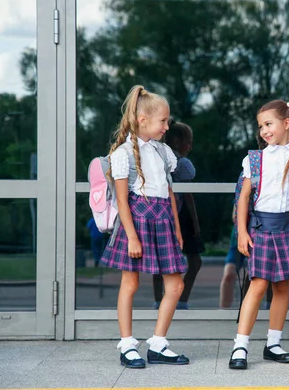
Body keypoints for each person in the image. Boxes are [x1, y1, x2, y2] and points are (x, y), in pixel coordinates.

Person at [99, 85, 189, 369]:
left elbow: (169, 193)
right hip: (136, 221)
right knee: (131, 283)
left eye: (167, 121)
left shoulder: (164, 152)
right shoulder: (123, 154)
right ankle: (127, 345)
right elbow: (123, 201)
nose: (166, 126)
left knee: (175, 285)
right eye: (163, 121)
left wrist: (176, 228)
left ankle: (158, 344)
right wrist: (132, 237)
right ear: (142, 120)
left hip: (162, 220)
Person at [229, 100, 289, 370]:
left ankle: (273, 344)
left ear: (286, 123)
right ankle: (240, 346)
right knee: (257, 286)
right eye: (261, 126)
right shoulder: (254, 159)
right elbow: (244, 199)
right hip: (261, 229)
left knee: (282, 287)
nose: (264, 131)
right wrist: (242, 232)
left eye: (269, 124)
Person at [152, 120, 204, 310]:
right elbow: (188, 195)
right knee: (194, 260)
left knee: (161, 260)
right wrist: (196, 223)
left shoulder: (157, 159)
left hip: (160, 214)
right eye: (187, 141)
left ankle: (159, 300)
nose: (190, 146)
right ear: (175, 141)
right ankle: (181, 301)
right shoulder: (182, 164)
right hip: (181, 216)